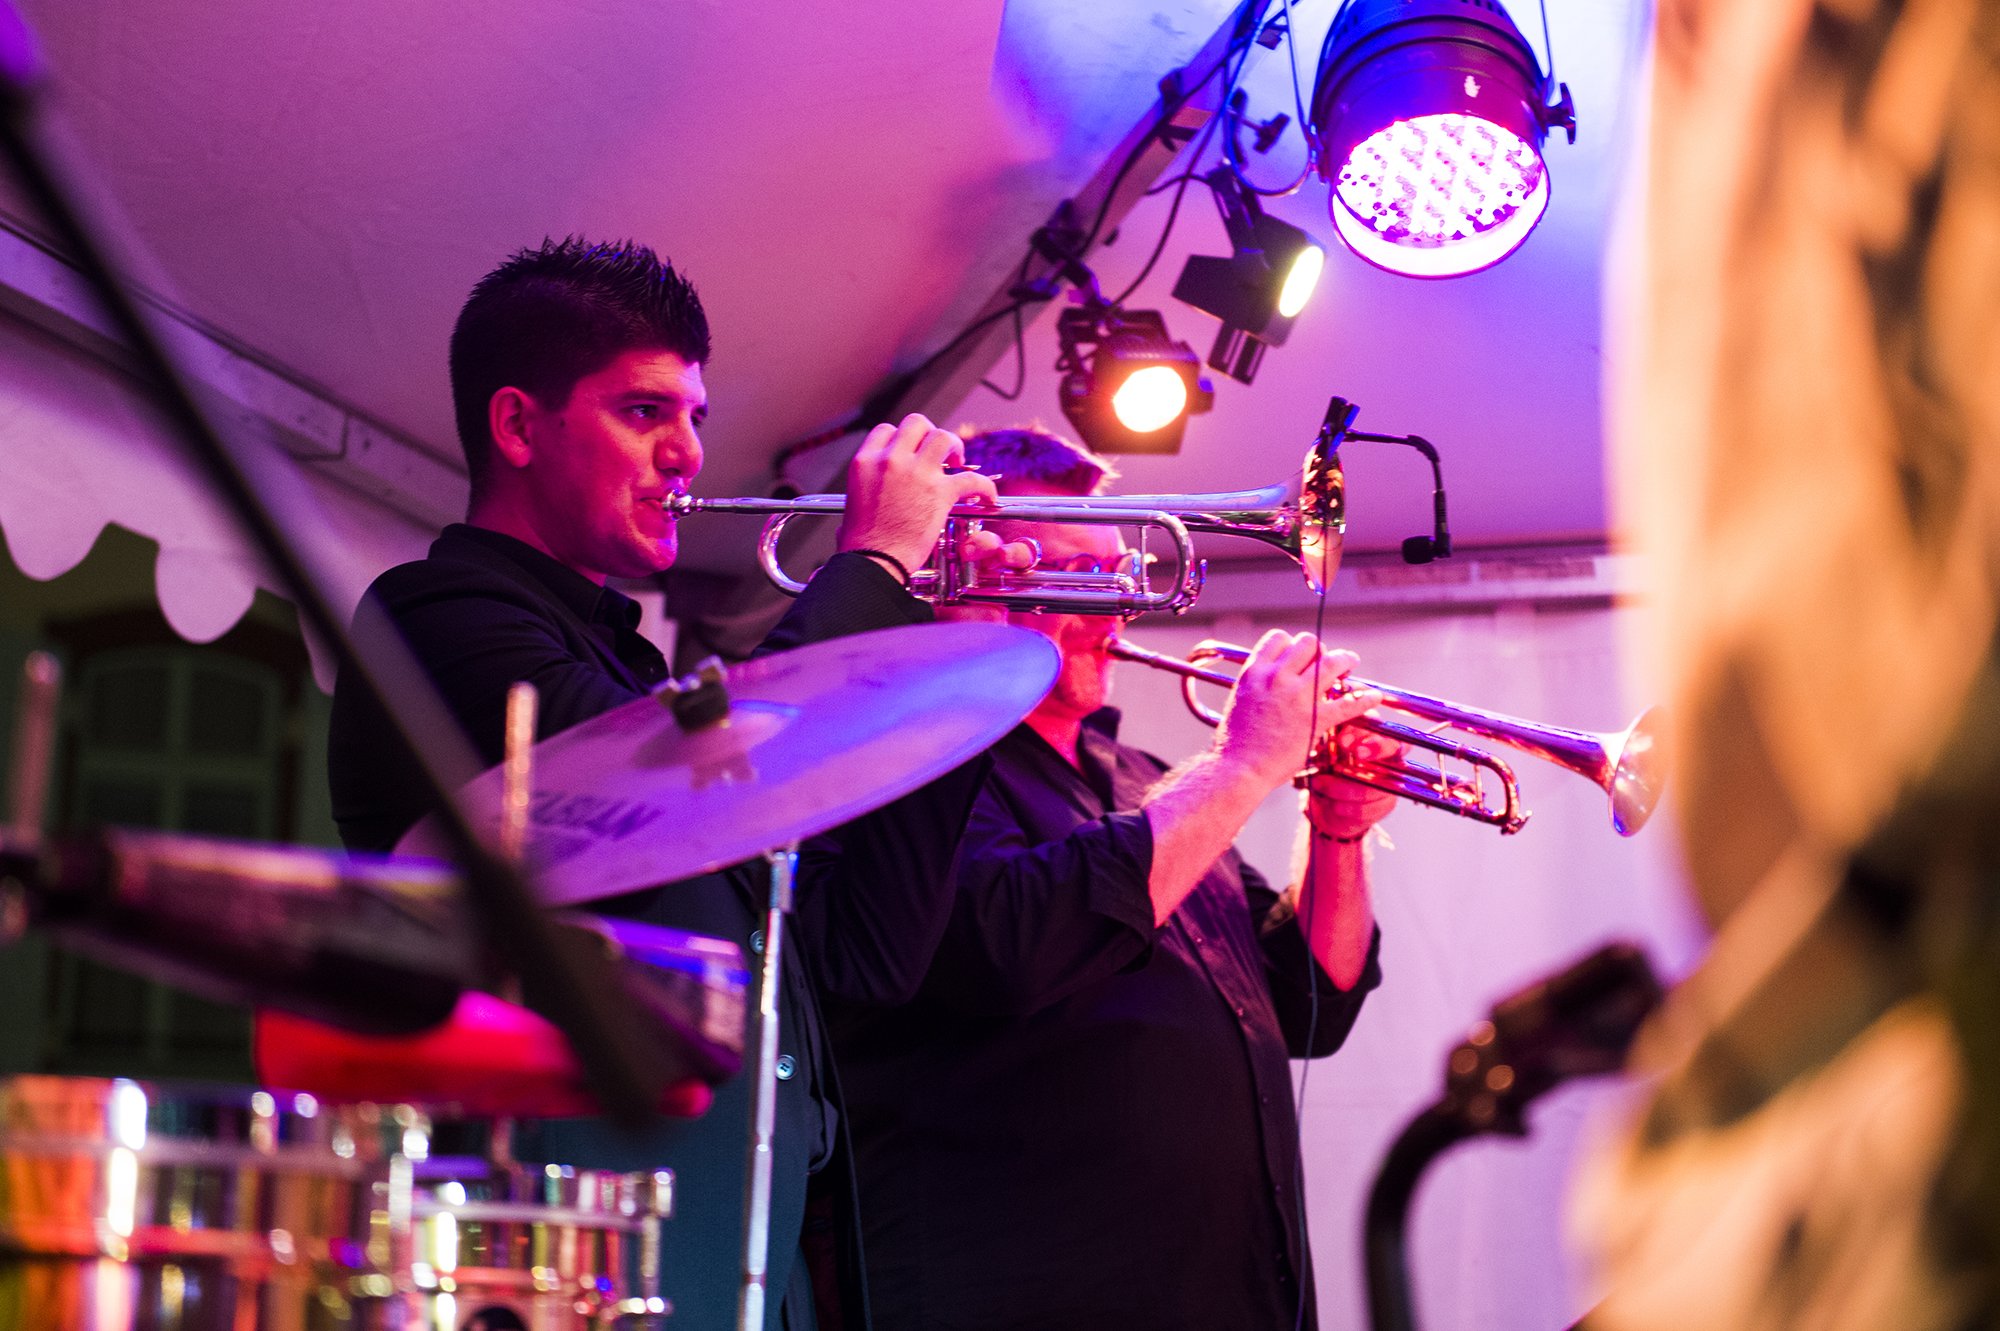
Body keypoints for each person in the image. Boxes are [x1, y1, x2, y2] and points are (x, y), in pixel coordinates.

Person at [327, 237, 1023, 1330]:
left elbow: (867, 949)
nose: (688, 453)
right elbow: (706, 769)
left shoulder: (636, 671)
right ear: (518, 426)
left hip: (740, 1263)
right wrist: (871, 565)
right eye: (644, 411)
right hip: (555, 1258)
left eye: (695, 416)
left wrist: (954, 658)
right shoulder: (433, 618)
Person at [826, 425, 1397, 1330]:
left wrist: (1337, 827)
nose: (1117, 609)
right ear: (971, 569)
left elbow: (1307, 1001)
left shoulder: (1144, 780)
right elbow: (1006, 945)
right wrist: (1246, 764)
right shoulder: (925, 765)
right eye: (1076, 578)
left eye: (1117, 574)